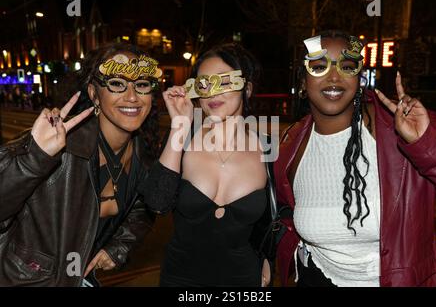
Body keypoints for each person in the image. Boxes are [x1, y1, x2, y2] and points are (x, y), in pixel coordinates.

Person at [274, 30, 436, 287]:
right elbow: (282, 214)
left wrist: (424, 145)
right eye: (319, 66)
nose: (334, 76)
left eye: (347, 66)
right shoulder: (291, 145)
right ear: (302, 82)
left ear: (359, 79)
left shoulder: (399, 131)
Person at [0, 43, 163, 286]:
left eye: (141, 85)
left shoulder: (144, 156)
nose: (132, 96)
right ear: (94, 93)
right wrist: (34, 159)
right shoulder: (58, 145)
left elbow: (145, 209)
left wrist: (118, 247)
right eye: (117, 84)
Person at [142, 43, 275, 287]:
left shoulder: (268, 147)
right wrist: (179, 127)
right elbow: (157, 202)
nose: (213, 93)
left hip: (244, 279)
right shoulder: (184, 139)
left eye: (224, 82)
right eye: (203, 84)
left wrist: (269, 258)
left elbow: (276, 215)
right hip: (181, 279)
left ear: (247, 89)